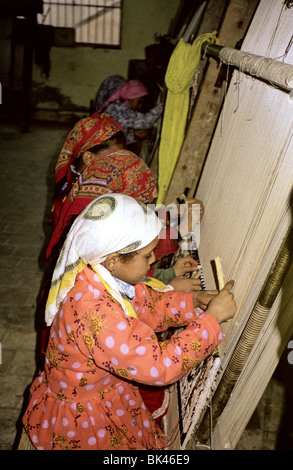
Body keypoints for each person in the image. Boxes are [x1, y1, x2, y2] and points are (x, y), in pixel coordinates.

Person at [23, 194, 236, 450]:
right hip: (83, 420)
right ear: (113, 260)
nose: (154, 261)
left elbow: (148, 305)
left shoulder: (97, 277)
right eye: (147, 256)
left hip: (103, 391)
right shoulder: (96, 314)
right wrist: (211, 322)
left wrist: (194, 302)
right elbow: (160, 366)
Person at [96, 79, 164, 147]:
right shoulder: (119, 108)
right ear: (131, 97)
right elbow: (145, 122)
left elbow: (119, 137)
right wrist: (162, 104)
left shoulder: (117, 106)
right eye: (140, 101)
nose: (141, 105)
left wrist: (134, 134)